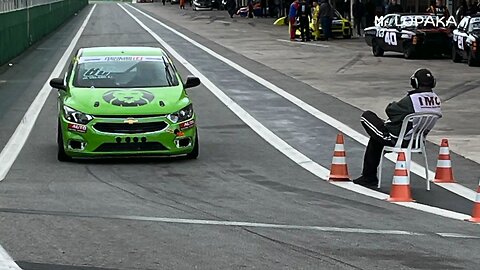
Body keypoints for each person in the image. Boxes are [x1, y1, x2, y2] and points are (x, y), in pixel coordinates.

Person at [353, 68, 442, 187]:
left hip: (399, 140)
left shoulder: (412, 99)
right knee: (375, 140)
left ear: (415, 83)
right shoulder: (436, 99)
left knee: (367, 116)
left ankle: (369, 177)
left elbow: (391, 111)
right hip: (417, 141)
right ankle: (368, 176)